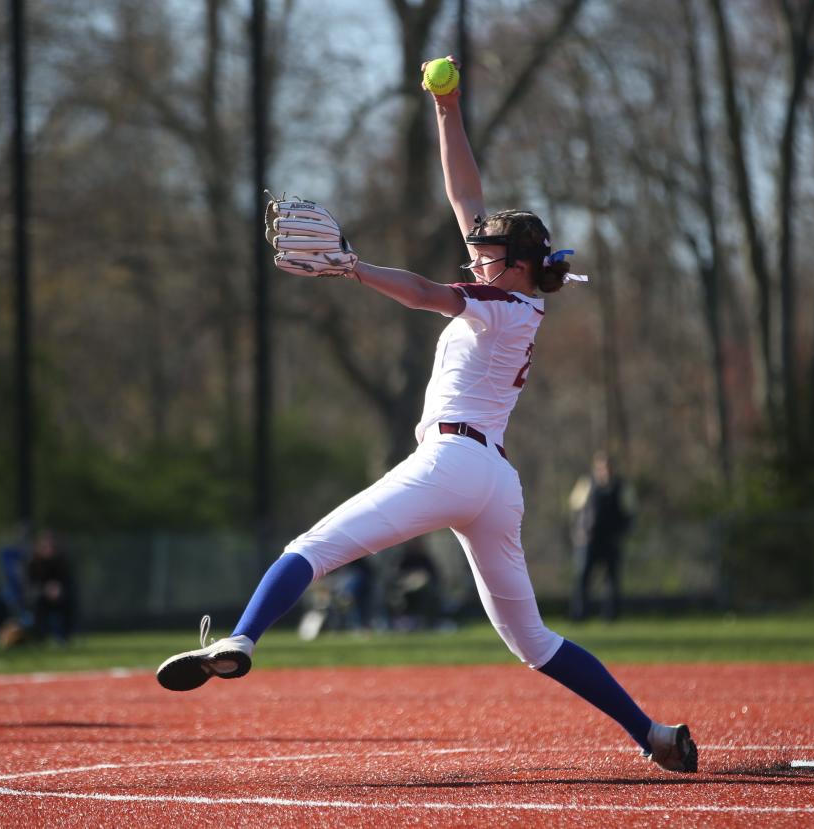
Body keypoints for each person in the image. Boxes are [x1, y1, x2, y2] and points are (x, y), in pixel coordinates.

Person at [156, 57, 697, 774]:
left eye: (485, 252)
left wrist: (355, 268)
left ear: (516, 264)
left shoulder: (501, 302)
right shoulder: (515, 290)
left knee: (313, 546)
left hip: (450, 463)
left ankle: (242, 640)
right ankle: (653, 733)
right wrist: (447, 107)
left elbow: (421, 291)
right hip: (494, 482)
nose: (474, 255)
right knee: (532, 639)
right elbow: (465, 192)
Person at [569, 451, 634, 621]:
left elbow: (629, 513)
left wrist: (621, 534)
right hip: (588, 540)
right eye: (601, 467)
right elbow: (574, 509)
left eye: (607, 467)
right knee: (583, 578)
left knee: (611, 580)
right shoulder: (586, 484)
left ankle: (610, 616)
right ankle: (579, 615)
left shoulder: (621, 487)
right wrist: (578, 532)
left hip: (611, 540)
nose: (604, 470)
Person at [26, 529, 76, 644]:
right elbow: (30, 584)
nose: (48, 548)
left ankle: (64, 636)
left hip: (59, 594)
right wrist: (45, 589)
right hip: (40, 595)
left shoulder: (62, 561)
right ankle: (39, 636)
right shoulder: (33, 562)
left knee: (69, 600)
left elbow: (67, 580)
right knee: (37, 602)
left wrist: (58, 589)